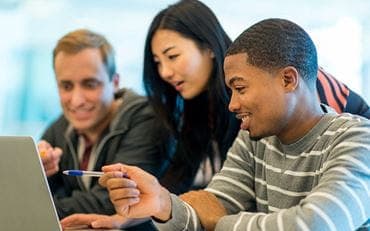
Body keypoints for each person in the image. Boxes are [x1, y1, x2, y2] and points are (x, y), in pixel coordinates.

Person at [100, 18, 370, 231]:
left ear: (288, 79)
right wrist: (161, 202)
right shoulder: (254, 139)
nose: (232, 105)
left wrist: (219, 223)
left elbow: (315, 225)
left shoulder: (358, 140)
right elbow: (209, 208)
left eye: (240, 88)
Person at [37, 29, 168, 227]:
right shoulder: (60, 127)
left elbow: (109, 201)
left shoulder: (146, 118)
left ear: (114, 83)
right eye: (66, 86)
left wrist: (36, 208)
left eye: (89, 84)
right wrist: (38, 174)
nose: (77, 100)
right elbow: (37, 195)